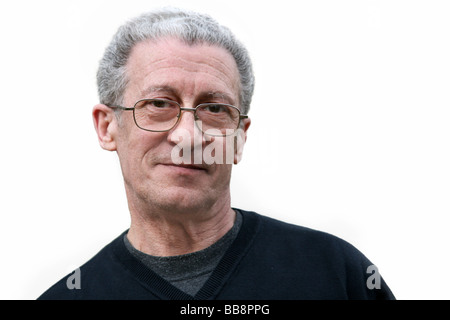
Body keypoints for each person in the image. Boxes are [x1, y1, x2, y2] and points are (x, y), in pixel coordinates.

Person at [38, 7, 395, 300]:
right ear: (107, 127)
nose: (188, 135)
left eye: (214, 109)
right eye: (159, 104)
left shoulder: (336, 274)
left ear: (240, 136)